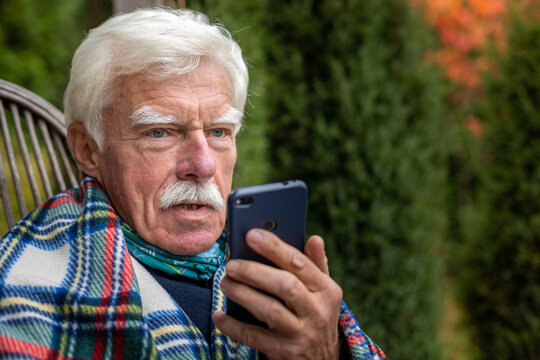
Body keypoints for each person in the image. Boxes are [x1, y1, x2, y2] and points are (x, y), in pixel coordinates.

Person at [0, 8, 387, 360]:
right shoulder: (21, 292)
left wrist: (328, 352)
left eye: (219, 131)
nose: (202, 165)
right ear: (87, 150)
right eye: (160, 133)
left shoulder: (268, 270)